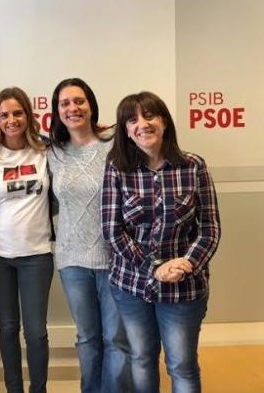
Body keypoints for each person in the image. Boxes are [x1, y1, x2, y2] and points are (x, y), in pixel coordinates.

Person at [102, 91, 221, 393]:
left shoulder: (193, 166)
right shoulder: (117, 168)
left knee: (181, 365)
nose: (142, 124)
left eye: (149, 116)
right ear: (126, 130)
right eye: (132, 120)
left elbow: (209, 229)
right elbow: (113, 231)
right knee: (142, 359)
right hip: (132, 285)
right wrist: (155, 268)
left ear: (164, 121)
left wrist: (185, 264)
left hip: (184, 286)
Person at [47, 78, 130, 393]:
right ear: (57, 111)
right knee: (87, 337)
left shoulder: (114, 145)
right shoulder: (53, 152)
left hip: (114, 258)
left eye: (79, 101)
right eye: (65, 103)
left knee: (116, 339)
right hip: (71, 259)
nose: (73, 108)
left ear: (91, 105)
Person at [0, 87, 54, 393]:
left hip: (37, 255)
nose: (11, 120)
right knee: (7, 328)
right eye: (4, 115)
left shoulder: (46, 149)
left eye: (17, 113)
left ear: (28, 115)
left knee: (36, 332)